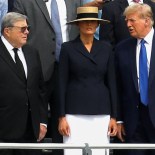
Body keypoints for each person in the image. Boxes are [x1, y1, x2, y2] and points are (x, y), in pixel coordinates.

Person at [12, 1, 104, 155]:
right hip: (38, 68)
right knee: (35, 121)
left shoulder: (75, 1)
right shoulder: (24, 2)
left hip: (71, 70)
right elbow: (17, 28)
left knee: (64, 122)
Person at [58, 6, 118, 155]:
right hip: (74, 112)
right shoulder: (67, 48)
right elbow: (61, 83)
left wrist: (114, 117)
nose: (89, 24)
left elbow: (112, 83)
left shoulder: (106, 48)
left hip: (101, 111)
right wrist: (61, 116)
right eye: (85, 21)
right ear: (78, 24)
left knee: (98, 151)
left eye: (92, 21)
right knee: (74, 152)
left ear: (98, 24)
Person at [0, 12, 48, 155]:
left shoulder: (32, 52)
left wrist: (43, 121)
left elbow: (40, 90)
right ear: (7, 31)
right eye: (22, 29)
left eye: (27, 28)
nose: (27, 32)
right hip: (3, 131)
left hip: (31, 131)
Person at [115, 3, 155, 155]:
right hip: (133, 122)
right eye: (126, 21)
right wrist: (119, 119)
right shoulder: (122, 49)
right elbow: (118, 87)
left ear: (147, 20)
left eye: (132, 20)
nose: (128, 25)